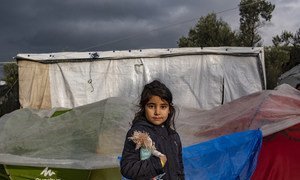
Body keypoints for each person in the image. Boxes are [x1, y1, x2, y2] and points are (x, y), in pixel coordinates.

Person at [120, 80, 185, 179]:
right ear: (143, 107)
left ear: (169, 110)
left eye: (163, 106)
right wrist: (157, 163)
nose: (157, 112)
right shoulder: (138, 134)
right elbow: (127, 168)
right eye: (151, 106)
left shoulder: (174, 136)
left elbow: (179, 169)